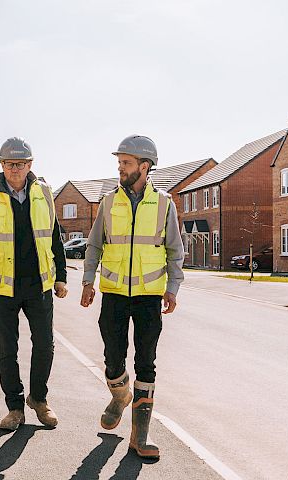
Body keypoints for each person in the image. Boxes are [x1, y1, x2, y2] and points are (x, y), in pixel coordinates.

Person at [80, 135, 184, 459]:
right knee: (113, 358)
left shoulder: (165, 204)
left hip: (149, 297)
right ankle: (119, 394)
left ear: (144, 166)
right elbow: (95, 244)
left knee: (146, 364)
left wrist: (173, 288)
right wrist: (87, 280)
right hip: (113, 293)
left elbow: (175, 250)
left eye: (125, 163)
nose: (120, 168)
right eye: (119, 163)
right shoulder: (109, 203)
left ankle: (140, 437)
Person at [0, 137, 68, 431]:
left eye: (21, 164)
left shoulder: (45, 193)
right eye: (10, 164)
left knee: (45, 346)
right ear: (1, 165)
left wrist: (61, 277)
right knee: (7, 349)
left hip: (38, 285)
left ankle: (38, 398)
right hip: (1, 288)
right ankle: (14, 407)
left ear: (30, 165)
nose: (15, 169)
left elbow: (54, 237)